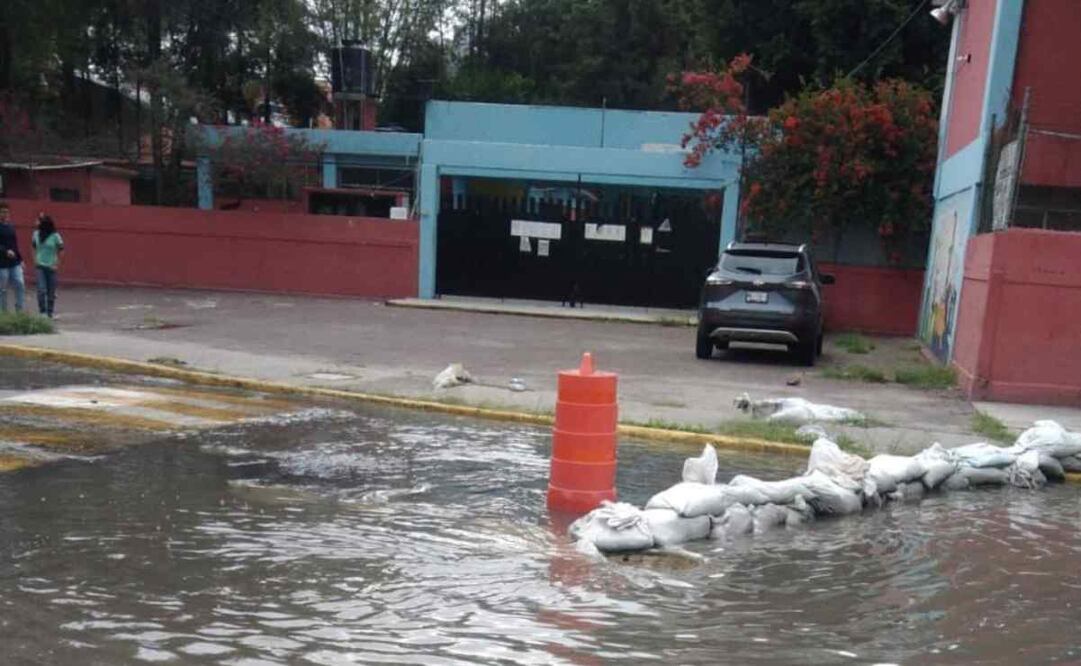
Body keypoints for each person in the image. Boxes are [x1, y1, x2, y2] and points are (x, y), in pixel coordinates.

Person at [32, 213, 64, 318]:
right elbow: (33, 247)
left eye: (38, 221)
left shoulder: (55, 236)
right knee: (41, 290)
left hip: (51, 267)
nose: (36, 222)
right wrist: (35, 260)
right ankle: (42, 312)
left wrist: (56, 264)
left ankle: (50, 313)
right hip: (40, 266)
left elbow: (61, 250)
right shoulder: (36, 234)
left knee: (51, 291)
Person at [0, 201, 25, 313]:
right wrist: (5, 251)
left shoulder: (11, 227)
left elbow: (15, 244)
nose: (5, 214)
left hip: (14, 262)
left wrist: (20, 259)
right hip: (1, 264)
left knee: (20, 284)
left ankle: (19, 311)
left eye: (7, 212)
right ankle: (3, 313)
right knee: (2, 289)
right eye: (3, 212)